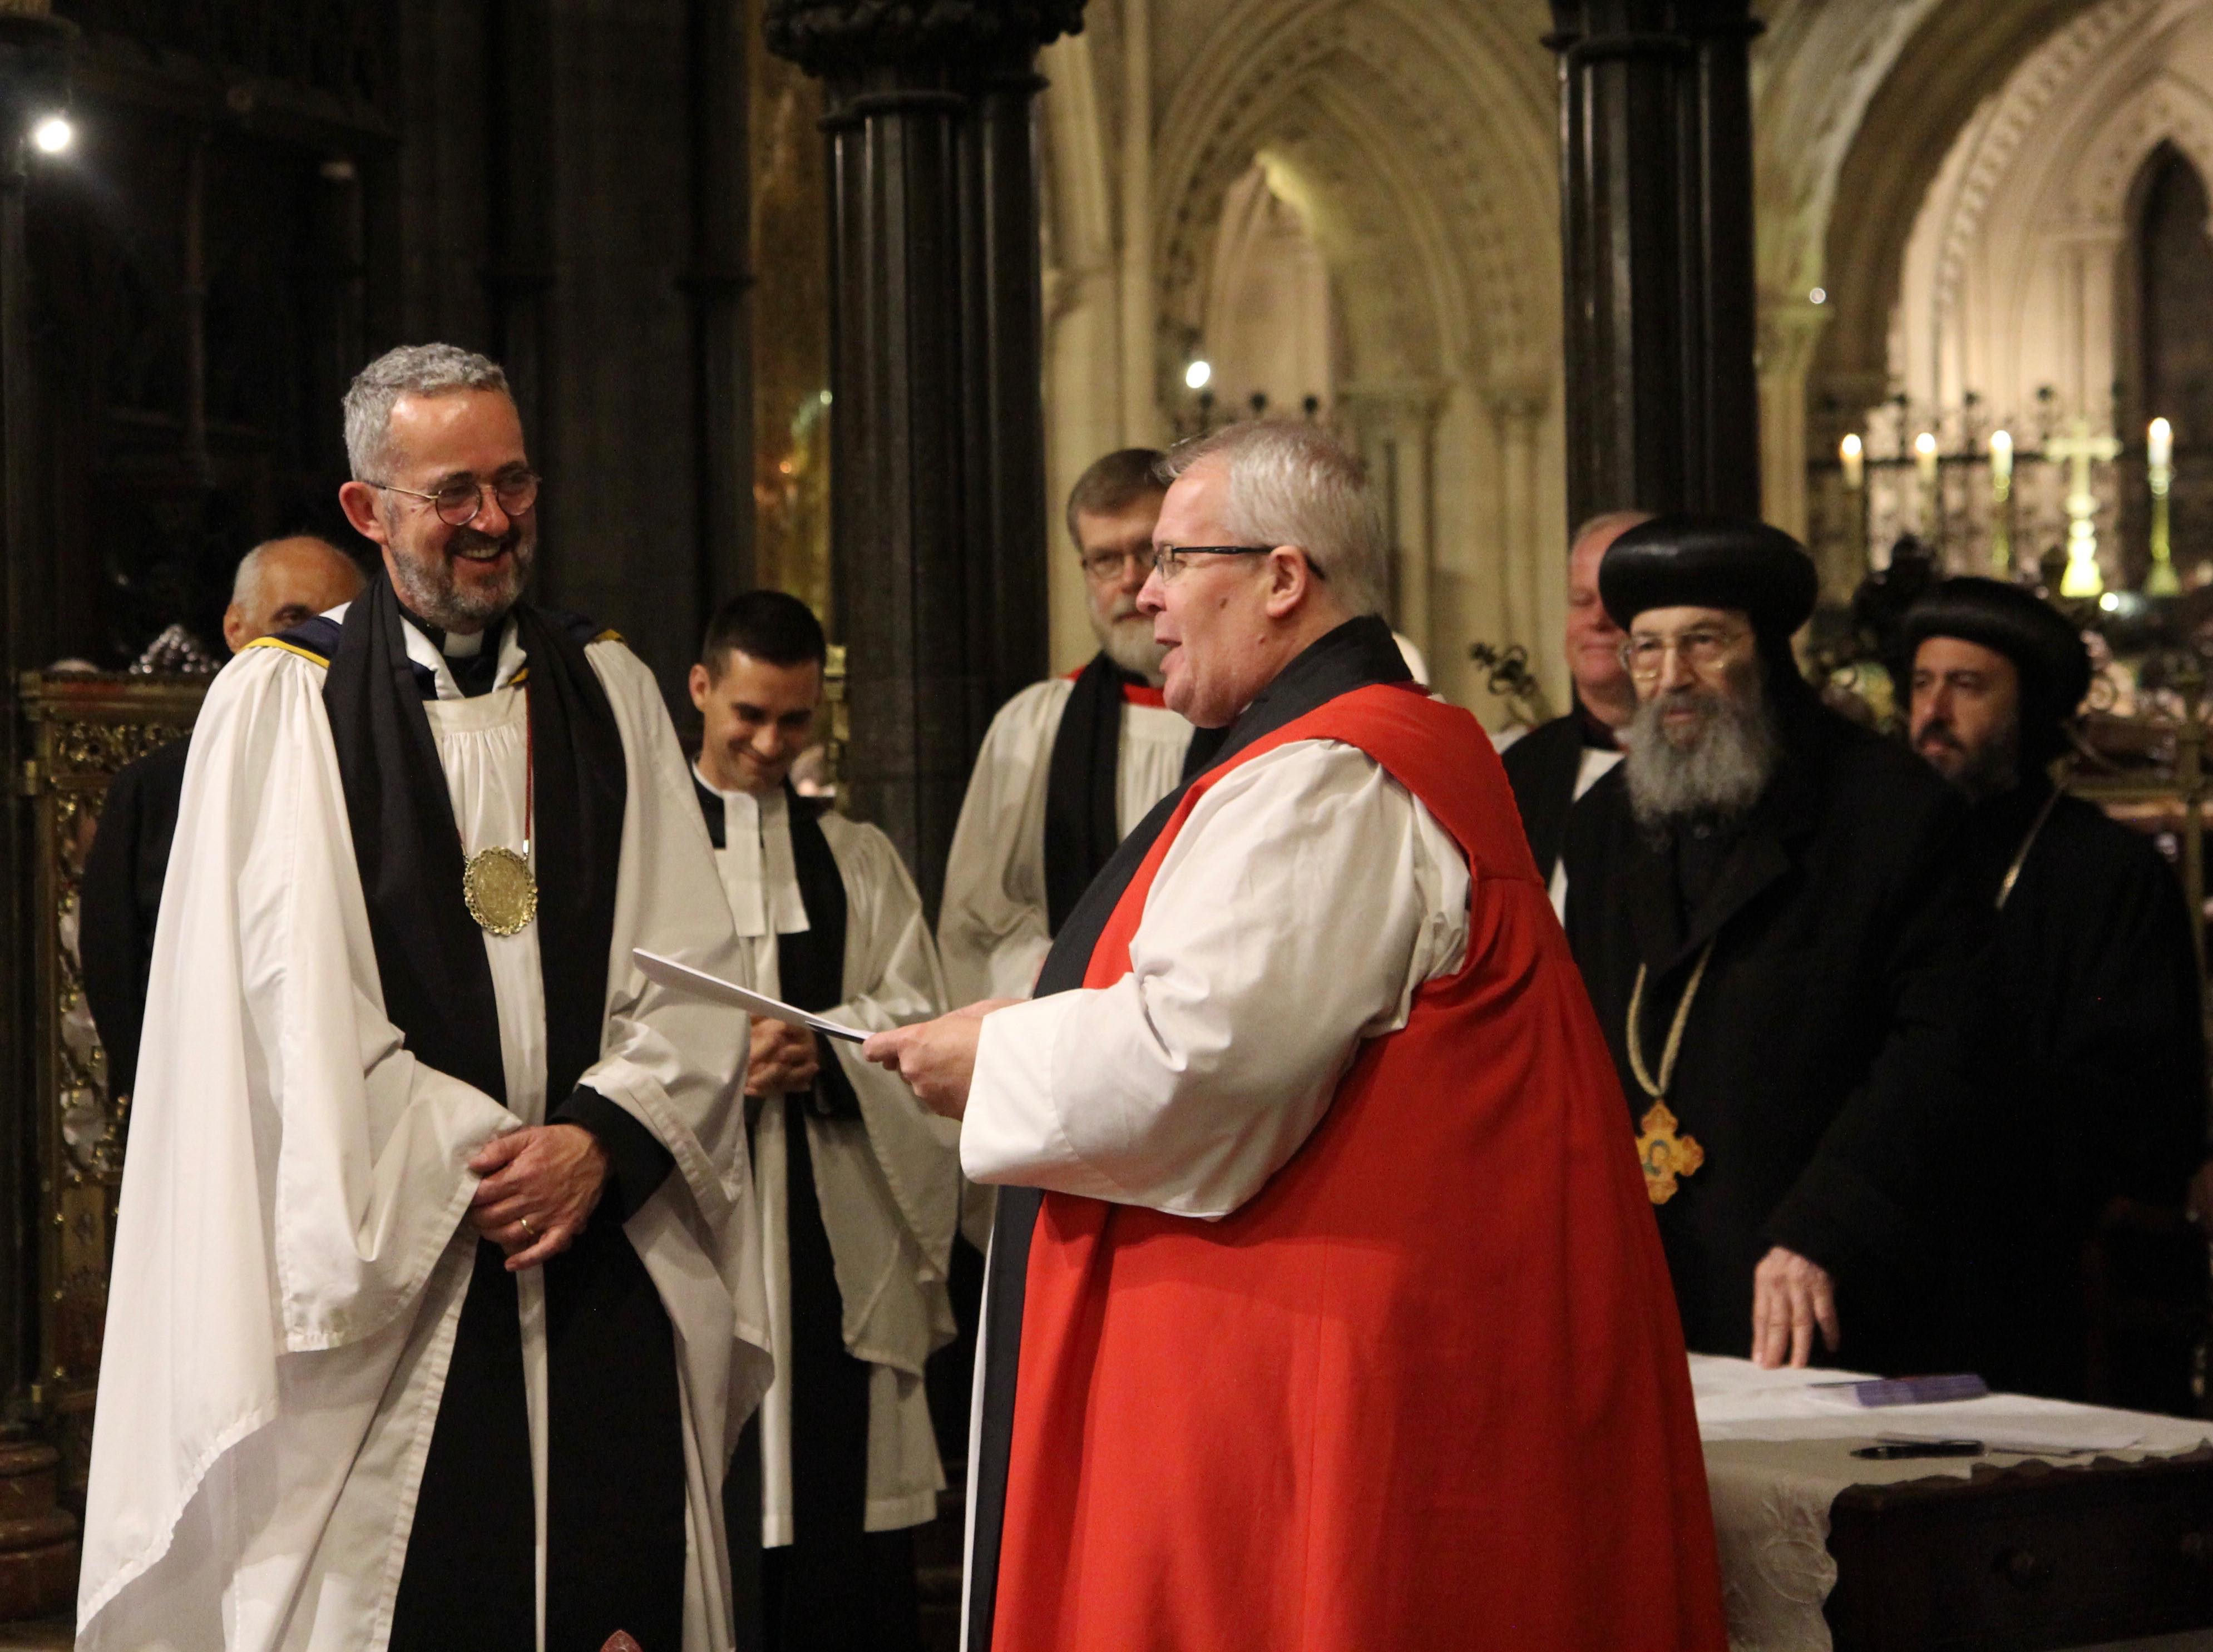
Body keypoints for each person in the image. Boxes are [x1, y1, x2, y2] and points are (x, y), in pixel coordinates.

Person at [867, 422, 1725, 1652]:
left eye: (1175, 560)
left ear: (1282, 577)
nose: (1145, 595)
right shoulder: (1351, 747)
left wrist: (994, 1062)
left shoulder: (1333, 774)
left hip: (1335, 1380)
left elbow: (1204, 1060)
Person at [78, 344, 771, 1652]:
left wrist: (604, 1141)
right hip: (396, 1285)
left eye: (513, 482)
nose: (495, 522)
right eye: (454, 492)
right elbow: (287, 1021)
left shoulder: (610, 687)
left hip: (600, 1249)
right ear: (366, 508)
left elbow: (693, 973)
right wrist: (498, 1164)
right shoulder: (278, 706)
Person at [1561, 517, 1985, 1373]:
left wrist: (1822, 1228)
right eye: (1646, 649)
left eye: (1703, 643)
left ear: (1768, 651)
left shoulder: (1887, 810)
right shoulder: (1606, 826)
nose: (1670, 678)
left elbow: (1942, 1047)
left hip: (1819, 1279)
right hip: (1653, 1269)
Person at [686, 591, 957, 1651]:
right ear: (699, 690)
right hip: (706, 1224)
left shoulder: (857, 859)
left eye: (793, 723)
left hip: (834, 1214)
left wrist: (831, 1051)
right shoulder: (638, 851)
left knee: (843, 1561)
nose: (767, 744)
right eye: (747, 715)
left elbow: (922, 1022)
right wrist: (718, 1063)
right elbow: (598, 1025)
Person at [1904, 577, 2205, 1401]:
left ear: (2027, 708)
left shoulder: (2106, 874)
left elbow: (2137, 1098)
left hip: (2043, 1261)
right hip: (1898, 1243)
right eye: (1921, 684)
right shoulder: (1890, 858)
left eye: (1966, 686)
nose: (1932, 711)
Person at [78, 536, 367, 1101]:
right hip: (203, 1100)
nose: (317, 646)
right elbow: (116, 970)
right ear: (237, 629)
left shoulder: (390, 780)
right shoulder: (154, 791)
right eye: (293, 620)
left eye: (339, 625)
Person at [937, 449, 1201, 1007]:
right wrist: (1069, 974)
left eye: (1149, 554)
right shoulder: (1034, 728)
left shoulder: (1260, 721)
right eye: (1105, 559)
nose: (1130, 581)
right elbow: (978, 926)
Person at [1499, 509, 1647, 913]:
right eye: (1582, 601)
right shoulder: (1522, 769)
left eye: (1617, 601)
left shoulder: (1711, 773)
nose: (1597, 620)